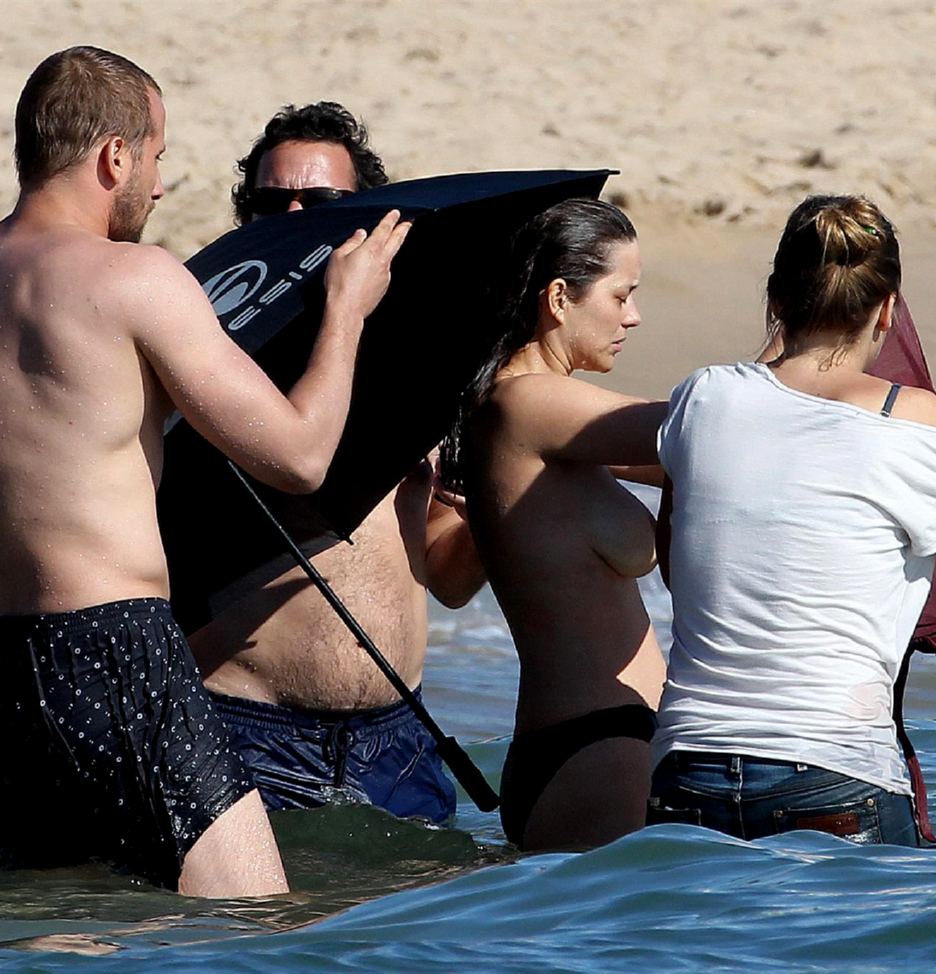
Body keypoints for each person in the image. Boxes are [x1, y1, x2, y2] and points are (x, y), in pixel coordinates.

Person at [0, 49, 407, 895]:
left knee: (60, 923)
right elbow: (298, 458)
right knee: (254, 912)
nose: (156, 187)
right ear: (115, 155)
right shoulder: (136, 279)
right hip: (113, 648)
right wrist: (346, 313)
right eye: (156, 157)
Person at [647, 195, 936, 846]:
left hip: (685, 769)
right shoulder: (910, 420)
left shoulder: (702, 395)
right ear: (888, 309)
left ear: (775, 298)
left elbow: (677, 565)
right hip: (832, 772)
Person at [189, 103, 485, 825]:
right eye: (273, 202)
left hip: (399, 736)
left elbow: (448, 579)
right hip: (250, 728)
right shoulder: (215, 348)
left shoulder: (419, 365)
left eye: (319, 200)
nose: (295, 214)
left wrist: (483, 514)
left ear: (369, 215)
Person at [450, 197, 667, 852]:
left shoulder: (543, 421)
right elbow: (703, 429)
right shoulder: (528, 401)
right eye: (620, 295)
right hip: (596, 747)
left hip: (591, 743)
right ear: (559, 298)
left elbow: (692, 460)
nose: (633, 315)